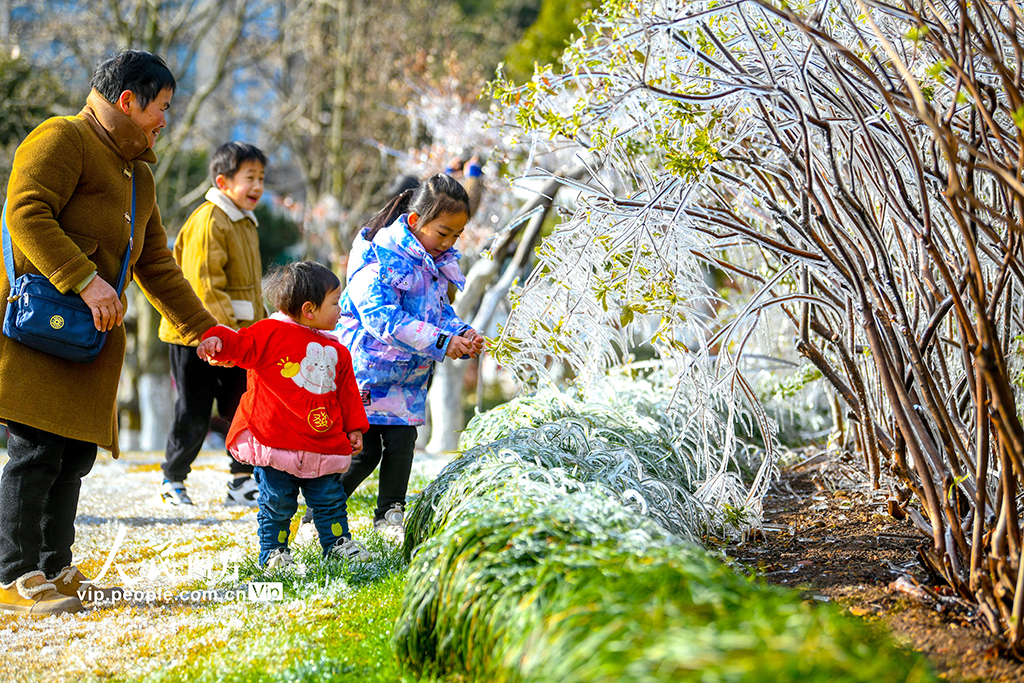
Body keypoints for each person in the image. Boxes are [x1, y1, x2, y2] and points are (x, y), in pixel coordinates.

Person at [0, 49, 218, 615]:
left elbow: (156, 264)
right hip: (38, 328)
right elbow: (24, 213)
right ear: (128, 100)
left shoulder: (138, 175)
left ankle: (53, 567)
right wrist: (85, 280)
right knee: (36, 451)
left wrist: (203, 329)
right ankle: (11, 575)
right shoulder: (63, 137)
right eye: (161, 108)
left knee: (72, 456)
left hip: (86, 339)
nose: (164, 121)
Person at [331, 173, 483, 536]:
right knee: (364, 450)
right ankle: (323, 510)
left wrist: (461, 331)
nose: (447, 243)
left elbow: (438, 311)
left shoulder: (435, 263)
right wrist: (442, 343)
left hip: (408, 375)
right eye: (442, 233)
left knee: (403, 442)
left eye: (456, 236)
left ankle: (390, 513)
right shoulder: (381, 257)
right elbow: (383, 318)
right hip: (366, 371)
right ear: (415, 222)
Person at [196, 261, 371, 568]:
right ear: (309, 310)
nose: (341, 309)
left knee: (330, 500)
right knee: (277, 503)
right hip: (274, 440)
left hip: (321, 441)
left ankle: (337, 543)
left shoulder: (336, 350)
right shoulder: (268, 333)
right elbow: (239, 344)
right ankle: (275, 553)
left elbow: (347, 392)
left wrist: (354, 427)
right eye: (335, 302)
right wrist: (217, 341)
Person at [157, 142, 268, 507]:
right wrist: (218, 335)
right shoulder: (211, 220)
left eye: (261, 179)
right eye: (249, 177)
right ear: (222, 181)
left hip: (237, 339)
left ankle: (241, 479)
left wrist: (254, 334)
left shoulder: (243, 222)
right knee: (194, 408)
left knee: (242, 406)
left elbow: (247, 291)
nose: (257, 186)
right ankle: (173, 478)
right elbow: (205, 286)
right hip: (198, 337)